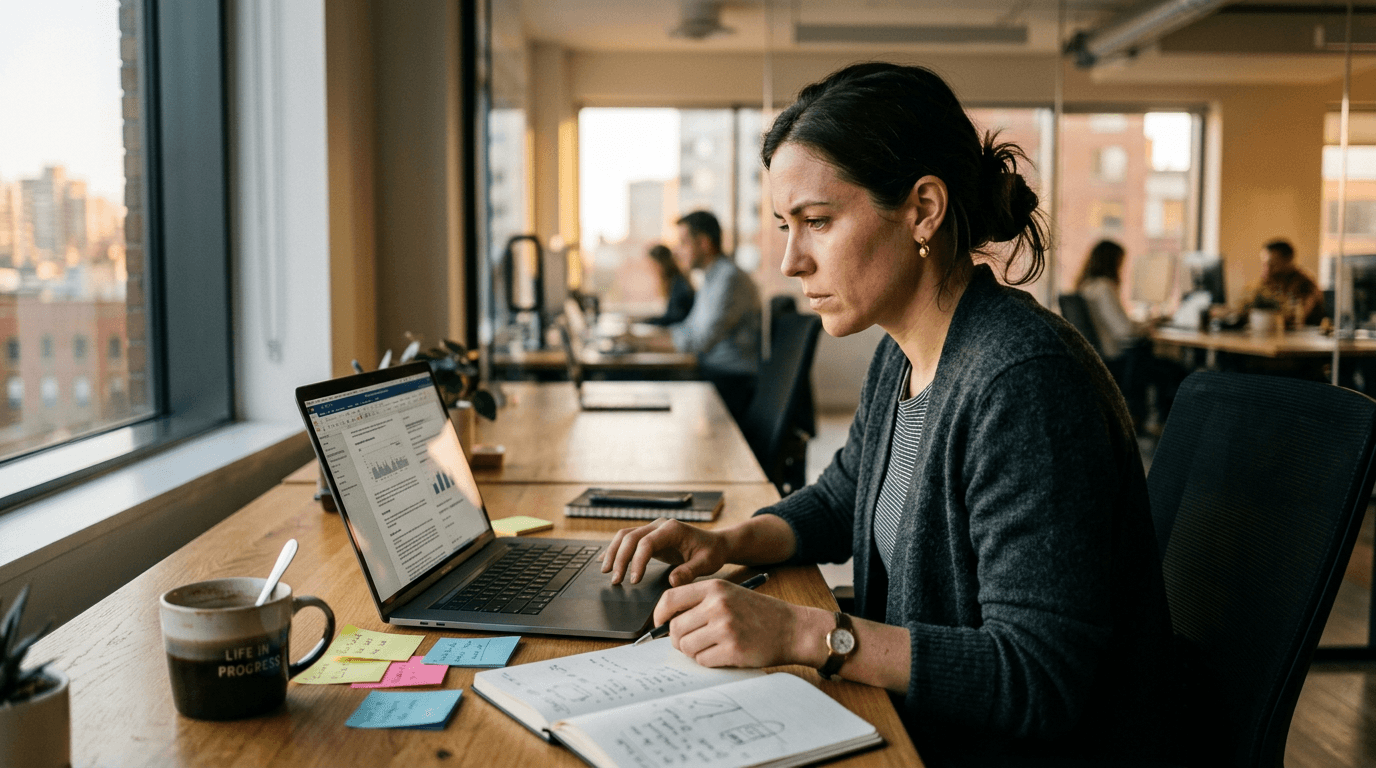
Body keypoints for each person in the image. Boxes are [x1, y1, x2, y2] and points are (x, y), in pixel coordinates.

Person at [601, 63, 1173, 766]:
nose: (789, 260)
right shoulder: (906, 353)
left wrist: (807, 635)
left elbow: (1039, 677)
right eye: (785, 226)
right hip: (918, 723)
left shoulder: (1023, 383)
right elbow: (845, 495)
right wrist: (728, 543)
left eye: (817, 222)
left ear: (922, 210)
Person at [1076, 239, 1183, 429]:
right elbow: (1124, 331)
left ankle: (1155, 422)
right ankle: (1167, 426)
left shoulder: (1087, 286)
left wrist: (1143, 324)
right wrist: (1148, 327)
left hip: (1104, 357)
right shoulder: (1104, 287)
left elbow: (1118, 324)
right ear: (1111, 261)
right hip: (1120, 359)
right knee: (1177, 371)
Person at [668, 211, 761, 421]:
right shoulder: (711, 278)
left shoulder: (729, 278)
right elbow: (689, 329)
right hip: (715, 372)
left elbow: (700, 341)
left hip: (731, 381)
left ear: (703, 243)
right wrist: (641, 339)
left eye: (683, 243)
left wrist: (645, 342)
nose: (678, 251)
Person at [1242, 238, 1324, 326]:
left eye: (1272, 264)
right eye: (1264, 264)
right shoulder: (1266, 283)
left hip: (1301, 337)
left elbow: (1296, 319)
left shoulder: (1305, 285)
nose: (1267, 270)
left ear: (1288, 261)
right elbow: (1245, 309)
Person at [641, 243, 695, 326]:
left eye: (652, 265)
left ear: (660, 264)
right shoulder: (676, 281)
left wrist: (645, 322)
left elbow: (674, 319)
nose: (651, 270)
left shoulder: (679, 285)